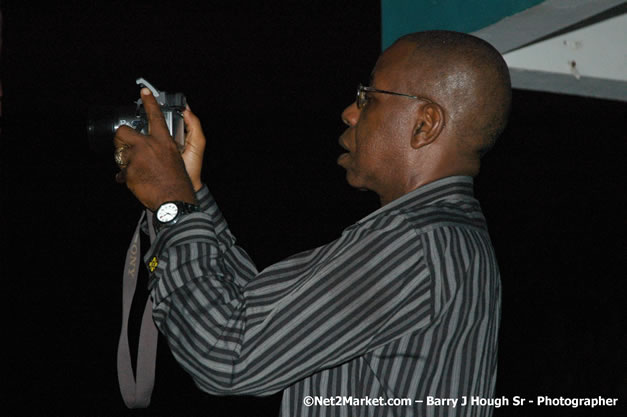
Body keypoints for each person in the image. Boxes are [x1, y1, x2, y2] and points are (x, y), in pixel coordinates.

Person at [114, 30, 511, 417]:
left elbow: (224, 352)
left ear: (425, 124)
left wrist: (172, 204)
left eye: (367, 97)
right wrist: (191, 193)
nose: (350, 113)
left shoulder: (414, 242)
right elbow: (250, 312)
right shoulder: (446, 238)